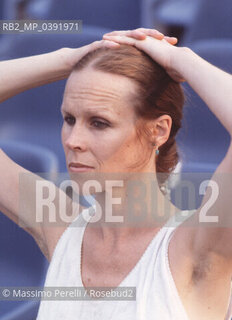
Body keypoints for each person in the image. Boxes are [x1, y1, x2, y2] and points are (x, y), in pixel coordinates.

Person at [0, 28, 231, 319]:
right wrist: (67, 60)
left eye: (99, 123)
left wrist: (179, 59)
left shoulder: (198, 246)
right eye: (69, 119)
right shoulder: (60, 227)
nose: (73, 140)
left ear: (158, 131)